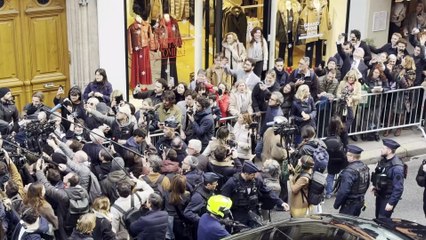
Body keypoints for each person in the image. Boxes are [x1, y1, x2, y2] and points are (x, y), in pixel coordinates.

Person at [221, 161, 289, 227]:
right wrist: (226, 217)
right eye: (252, 174)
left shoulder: (256, 181)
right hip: (238, 214)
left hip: (253, 212)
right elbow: (223, 199)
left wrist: (281, 202)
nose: (255, 176)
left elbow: (268, 191)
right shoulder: (232, 183)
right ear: (246, 173)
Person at [333, 145, 370, 216]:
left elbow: (344, 191)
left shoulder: (349, 172)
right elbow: (367, 183)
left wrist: (336, 204)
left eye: (347, 155)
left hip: (349, 204)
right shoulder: (364, 167)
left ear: (352, 157)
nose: (346, 157)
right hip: (360, 201)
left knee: (344, 224)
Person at [372, 139, 404, 219]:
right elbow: (379, 174)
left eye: (383, 148)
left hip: (387, 198)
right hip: (380, 195)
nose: (381, 150)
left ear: (389, 151)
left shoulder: (396, 167)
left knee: (383, 220)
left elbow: (398, 188)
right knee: (377, 218)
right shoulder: (384, 160)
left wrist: (391, 203)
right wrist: (374, 186)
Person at [183, 172, 220, 238]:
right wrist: (202, 220)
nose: (217, 184)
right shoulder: (198, 197)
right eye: (215, 183)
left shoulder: (208, 189)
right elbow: (187, 212)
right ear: (208, 185)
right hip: (200, 227)